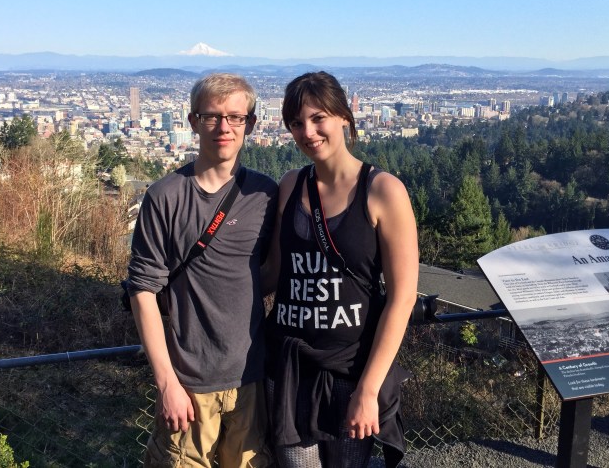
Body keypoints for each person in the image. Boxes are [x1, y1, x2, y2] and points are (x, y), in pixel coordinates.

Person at [264, 71, 419, 468]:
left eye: (318, 118)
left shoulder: (382, 190)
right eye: (297, 123)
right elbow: (275, 274)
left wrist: (368, 390)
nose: (308, 132)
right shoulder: (290, 186)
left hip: (350, 370)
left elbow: (402, 298)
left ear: (344, 118)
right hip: (291, 366)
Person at [127, 73, 278, 468]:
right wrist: (167, 384)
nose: (224, 127)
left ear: (251, 123)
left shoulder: (265, 195)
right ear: (193, 122)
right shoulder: (165, 197)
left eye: (235, 117)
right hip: (189, 383)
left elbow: (271, 272)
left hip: (251, 380)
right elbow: (141, 291)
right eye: (211, 116)